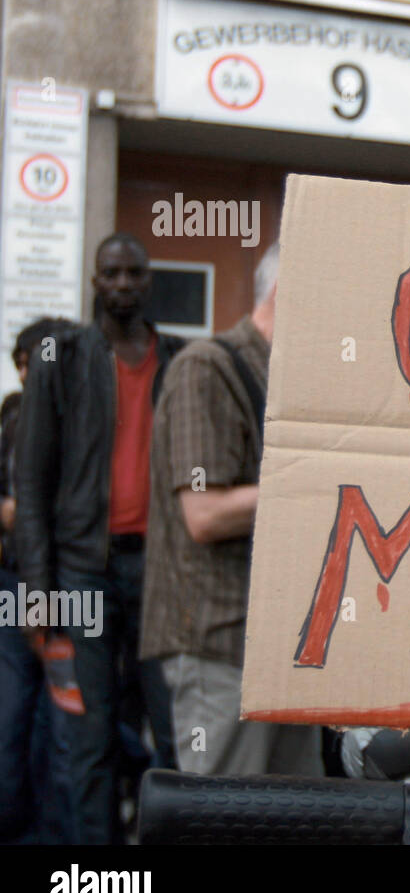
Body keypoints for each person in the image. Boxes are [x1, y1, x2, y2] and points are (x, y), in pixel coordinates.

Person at [13, 233, 186, 844]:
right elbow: (31, 483)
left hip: (161, 573)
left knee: (171, 732)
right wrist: (37, 593)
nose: (121, 285)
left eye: (132, 273)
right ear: (94, 280)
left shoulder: (178, 357)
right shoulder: (61, 355)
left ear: (148, 279)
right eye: (109, 273)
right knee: (87, 737)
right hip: (82, 573)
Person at [140, 244, 323, 777]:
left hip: (281, 645)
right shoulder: (207, 367)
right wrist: (319, 480)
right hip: (219, 645)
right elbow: (205, 513)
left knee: (299, 819)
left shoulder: (282, 380)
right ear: (287, 293)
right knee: (224, 818)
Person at [0, 317, 75, 843]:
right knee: (17, 708)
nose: (34, 374)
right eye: (27, 365)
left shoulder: (77, 417)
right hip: (19, 583)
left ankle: (51, 830)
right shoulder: (13, 417)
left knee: (60, 716)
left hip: (65, 587)